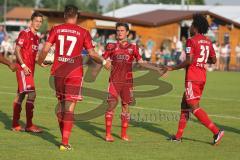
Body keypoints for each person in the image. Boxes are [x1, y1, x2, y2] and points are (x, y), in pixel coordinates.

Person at [37, 5, 111, 151]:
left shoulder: (56, 29)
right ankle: (65, 142)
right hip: (74, 74)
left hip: (58, 72)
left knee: (61, 107)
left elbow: (45, 49)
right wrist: (104, 61)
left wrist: (40, 62)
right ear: (76, 16)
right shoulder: (83, 32)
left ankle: (64, 140)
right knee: (69, 109)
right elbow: (92, 54)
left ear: (64, 15)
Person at [166, 14, 224, 145]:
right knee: (184, 104)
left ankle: (216, 131)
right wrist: (201, 59)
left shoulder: (191, 40)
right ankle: (178, 136)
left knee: (193, 106)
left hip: (192, 77)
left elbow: (189, 60)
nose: (190, 27)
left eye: (191, 25)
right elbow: (214, 60)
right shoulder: (208, 41)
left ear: (196, 27)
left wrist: (172, 68)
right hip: (202, 77)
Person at [103, 22, 166, 142]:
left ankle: (124, 134)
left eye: (122, 30)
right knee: (111, 106)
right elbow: (101, 58)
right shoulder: (111, 46)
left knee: (126, 107)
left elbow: (142, 63)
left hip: (128, 82)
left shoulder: (133, 48)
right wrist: (104, 62)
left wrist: (157, 68)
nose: (119, 32)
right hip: (114, 81)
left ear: (127, 33)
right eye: (118, 30)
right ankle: (108, 134)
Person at [12, 12, 43, 133]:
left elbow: (34, 57)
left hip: (30, 70)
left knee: (21, 95)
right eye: (37, 21)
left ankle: (15, 124)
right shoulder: (24, 33)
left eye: (40, 21)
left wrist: (41, 62)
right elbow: (17, 49)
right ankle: (29, 125)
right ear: (31, 21)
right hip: (23, 69)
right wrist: (23, 65)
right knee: (32, 94)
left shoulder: (37, 38)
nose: (38, 23)